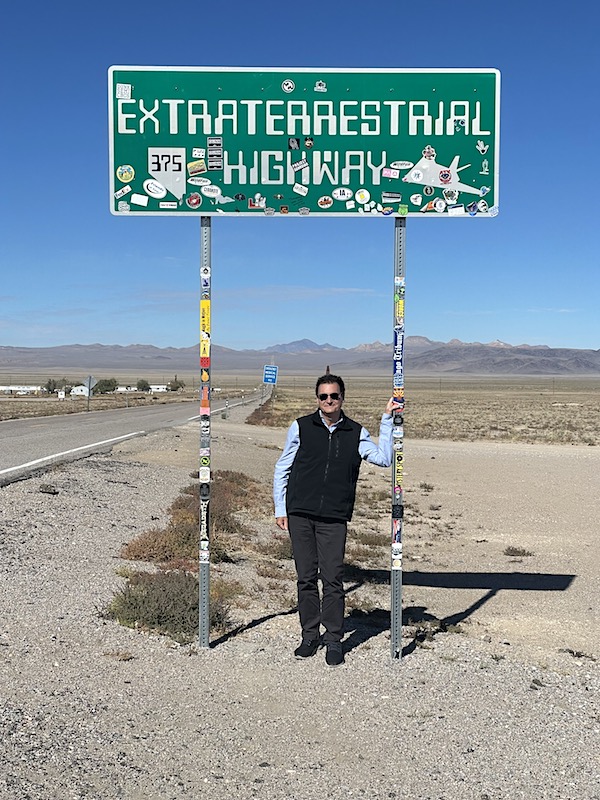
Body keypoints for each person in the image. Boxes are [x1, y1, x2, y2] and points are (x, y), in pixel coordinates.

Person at [273, 374, 397, 666]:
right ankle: (309, 635)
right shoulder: (301, 426)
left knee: (332, 579)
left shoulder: (355, 432)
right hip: (300, 513)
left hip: (333, 517)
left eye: (334, 396)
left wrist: (388, 420)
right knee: (305, 578)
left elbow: (384, 459)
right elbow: (282, 468)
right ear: (317, 399)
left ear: (343, 398)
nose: (329, 401)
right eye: (323, 396)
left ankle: (333, 640)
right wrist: (281, 508)